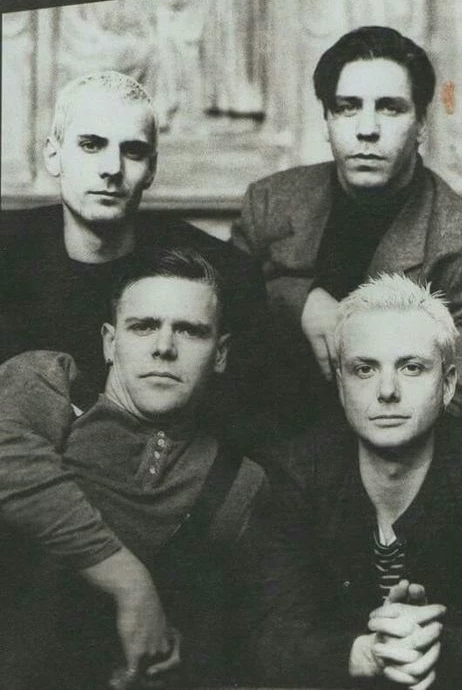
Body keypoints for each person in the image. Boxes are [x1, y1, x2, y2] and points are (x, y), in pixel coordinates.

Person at [247, 273, 462, 688]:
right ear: (340, 385)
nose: (387, 390)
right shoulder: (294, 473)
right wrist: (363, 654)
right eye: (364, 369)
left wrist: (435, 648)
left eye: (412, 367)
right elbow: (270, 638)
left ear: (448, 384)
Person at [0, 247, 267, 689]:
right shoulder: (50, 382)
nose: (164, 348)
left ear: (220, 354)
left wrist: (186, 654)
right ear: (110, 342)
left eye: (190, 331)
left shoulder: (238, 482)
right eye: (143, 327)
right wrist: (130, 582)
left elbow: (245, 631)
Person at [232, 26, 462, 421]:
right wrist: (296, 298)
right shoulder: (270, 201)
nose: (367, 129)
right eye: (348, 107)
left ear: (422, 124)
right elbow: (221, 329)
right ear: (326, 120)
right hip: (266, 436)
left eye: (389, 108)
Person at [0, 70, 270, 445]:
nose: (112, 168)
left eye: (133, 151)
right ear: (53, 155)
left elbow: (248, 427)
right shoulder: (8, 249)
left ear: (151, 169)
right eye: (91, 145)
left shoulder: (220, 273)